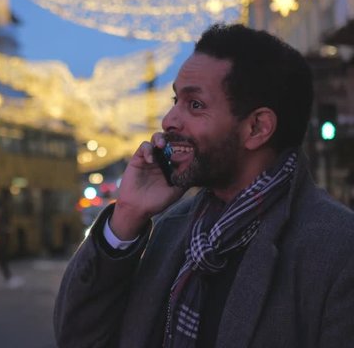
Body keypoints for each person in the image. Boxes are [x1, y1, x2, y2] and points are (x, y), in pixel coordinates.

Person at [54, 24, 354, 348]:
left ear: (256, 128)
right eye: (175, 100)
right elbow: (78, 338)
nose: (169, 120)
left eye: (195, 105)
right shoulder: (172, 229)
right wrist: (127, 213)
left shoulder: (337, 248)